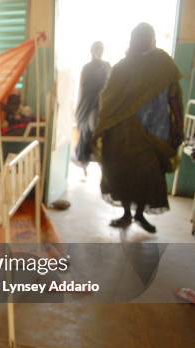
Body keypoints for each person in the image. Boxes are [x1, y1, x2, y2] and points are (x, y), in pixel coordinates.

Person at [94, 23, 184, 233]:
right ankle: (126, 214)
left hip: (154, 133)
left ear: (153, 39)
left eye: (147, 37)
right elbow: (108, 98)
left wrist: (179, 125)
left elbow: (174, 97)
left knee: (149, 175)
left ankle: (140, 214)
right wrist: (105, 125)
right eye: (139, 38)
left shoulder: (164, 64)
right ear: (133, 41)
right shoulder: (122, 67)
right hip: (122, 134)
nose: (143, 41)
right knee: (122, 173)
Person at [74, 41, 111, 175]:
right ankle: (84, 163)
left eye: (101, 49)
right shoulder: (86, 68)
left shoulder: (106, 66)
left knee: (100, 136)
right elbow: (83, 88)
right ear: (92, 51)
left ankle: (103, 167)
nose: (99, 52)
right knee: (85, 133)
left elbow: (110, 84)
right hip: (88, 105)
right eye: (97, 49)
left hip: (101, 106)